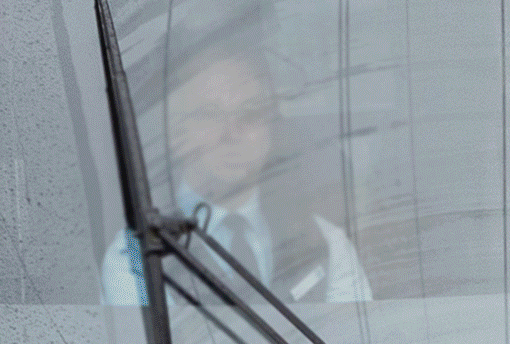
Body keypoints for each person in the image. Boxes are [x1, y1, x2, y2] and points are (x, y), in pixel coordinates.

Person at [101, 45, 374, 306]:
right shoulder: (136, 259)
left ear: (270, 127)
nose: (231, 134)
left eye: (250, 114)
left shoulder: (325, 244)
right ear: (174, 131)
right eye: (209, 115)